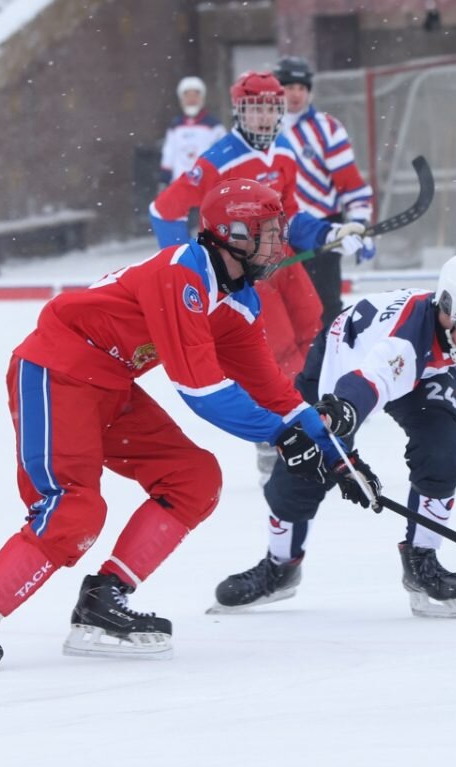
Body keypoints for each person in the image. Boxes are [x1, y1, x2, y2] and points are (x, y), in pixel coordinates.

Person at [0, 179, 376, 672]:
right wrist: (283, 436)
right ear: (232, 234)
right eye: (267, 232)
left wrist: (338, 455)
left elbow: (275, 393)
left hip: (109, 385)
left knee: (194, 479)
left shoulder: (238, 303)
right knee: (73, 511)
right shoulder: (184, 273)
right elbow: (203, 391)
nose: (277, 244)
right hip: (55, 371)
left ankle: (104, 602)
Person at [209, 254, 456, 620]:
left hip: (420, 373)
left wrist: (447, 441)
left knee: (442, 456)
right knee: (303, 469)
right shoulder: (401, 345)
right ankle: (281, 566)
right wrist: (343, 448)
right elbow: (367, 383)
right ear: (450, 309)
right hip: (343, 371)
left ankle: (422, 560)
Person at [150, 70, 371, 483]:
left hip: (283, 260)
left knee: (315, 331)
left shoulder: (285, 150)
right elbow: (164, 210)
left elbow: (290, 214)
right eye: (254, 110)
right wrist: (185, 266)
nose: (264, 118)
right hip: (246, 268)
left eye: (271, 108)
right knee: (276, 351)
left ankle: (319, 425)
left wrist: (331, 232)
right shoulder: (219, 158)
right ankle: (275, 444)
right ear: (239, 112)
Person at [274, 55, 375, 328]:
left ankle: (330, 366)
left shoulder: (327, 129)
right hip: (277, 234)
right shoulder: (264, 130)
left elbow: (351, 184)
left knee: (325, 309)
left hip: (323, 233)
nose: (295, 94)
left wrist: (360, 223)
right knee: (280, 313)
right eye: (288, 87)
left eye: (301, 87)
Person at [159, 76, 226, 186]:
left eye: (195, 95)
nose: (191, 100)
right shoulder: (175, 126)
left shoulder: (214, 126)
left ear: (202, 98)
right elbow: (169, 153)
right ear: (181, 99)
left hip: (206, 185)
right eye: (188, 96)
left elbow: (222, 153)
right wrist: (164, 180)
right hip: (179, 185)